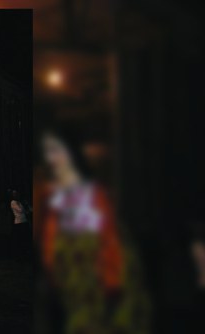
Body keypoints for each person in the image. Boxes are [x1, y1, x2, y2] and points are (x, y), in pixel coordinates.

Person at [38, 129, 149, 333]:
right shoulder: (51, 191)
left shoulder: (92, 192)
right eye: (48, 151)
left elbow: (109, 239)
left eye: (56, 150)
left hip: (92, 274)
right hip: (65, 275)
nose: (52, 157)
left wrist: (112, 281)